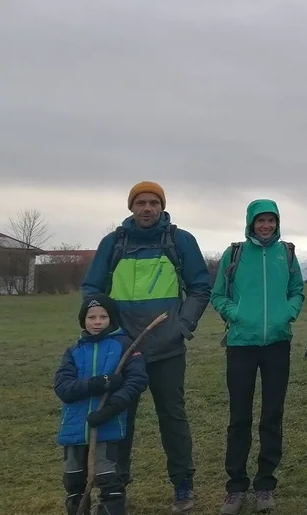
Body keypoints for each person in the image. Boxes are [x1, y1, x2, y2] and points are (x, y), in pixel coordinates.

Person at [81, 181, 211, 514]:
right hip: (123, 352)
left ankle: (183, 484)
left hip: (167, 350)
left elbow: (199, 289)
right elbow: (93, 289)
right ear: (131, 207)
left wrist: (182, 327)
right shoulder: (113, 244)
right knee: (120, 420)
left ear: (162, 206)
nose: (148, 208)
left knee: (173, 418)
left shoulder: (180, 241)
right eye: (141, 202)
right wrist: (108, 331)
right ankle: (115, 488)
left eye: (154, 202)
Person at [210, 199, 305, 514]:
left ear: (278, 223)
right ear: (250, 222)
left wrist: (287, 313)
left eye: (271, 221)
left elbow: (297, 291)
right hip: (241, 344)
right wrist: (236, 314)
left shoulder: (287, 254)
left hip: (278, 343)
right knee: (239, 419)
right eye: (260, 220)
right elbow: (218, 295)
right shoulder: (234, 254)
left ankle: (265, 484)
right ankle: (236, 487)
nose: (266, 226)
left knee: (272, 416)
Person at [55, 295, 150, 515]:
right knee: (74, 483)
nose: (97, 322)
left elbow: (137, 380)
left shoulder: (124, 346)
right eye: (91, 317)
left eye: (103, 317)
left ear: (111, 319)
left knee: (109, 480)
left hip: (108, 426)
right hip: (75, 428)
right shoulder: (73, 351)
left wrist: (113, 406)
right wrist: (98, 383)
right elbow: (63, 387)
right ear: (83, 320)